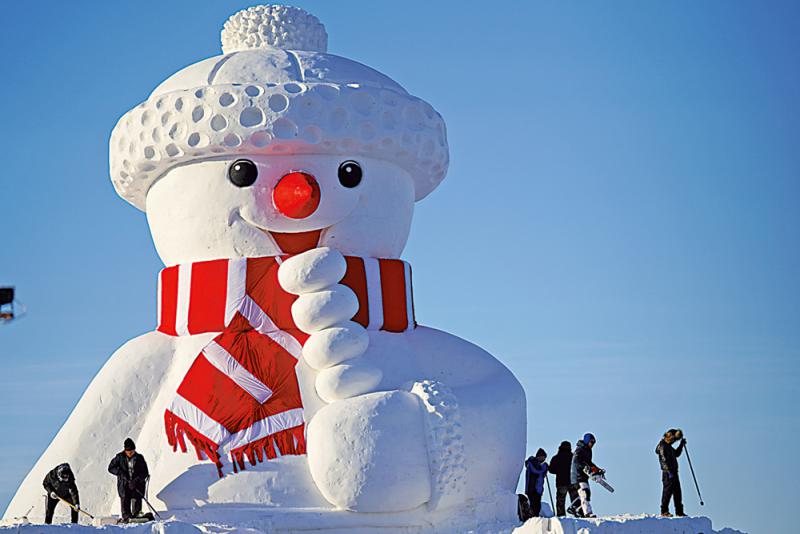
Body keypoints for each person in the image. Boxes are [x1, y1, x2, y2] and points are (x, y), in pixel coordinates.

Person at [108, 438, 150, 523]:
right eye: (129, 452)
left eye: (132, 451)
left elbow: (145, 472)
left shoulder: (139, 458)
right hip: (124, 486)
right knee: (125, 507)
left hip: (137, 486)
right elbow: (110, 468)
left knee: (137, 507)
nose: (131, 453)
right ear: (125, 450)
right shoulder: (119, 457)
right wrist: (120, 473)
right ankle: (126, 520)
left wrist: (136, 480)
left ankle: (137, 518)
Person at [569, 433, 603, 518]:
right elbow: (577, 461)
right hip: (577, 476)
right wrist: (586, 467)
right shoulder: (579, 450)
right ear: (587, 441)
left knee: (587, 494)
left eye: (594, 443)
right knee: (584, 492)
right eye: (591, 442)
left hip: (583, 476)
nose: (592, 444)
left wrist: (597, 469)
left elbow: (589, 463)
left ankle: (574, 507)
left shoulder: (588, 450)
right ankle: (588, 513)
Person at [656, 428, 687, 517]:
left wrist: (681, 445)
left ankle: (679, 511)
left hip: (674, 472)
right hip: (667, 473)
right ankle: (664, 511)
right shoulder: (663, 446)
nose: (674, 442)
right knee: (667, 492)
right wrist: (669, 472)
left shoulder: (668, 446)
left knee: (677, 492)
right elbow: (663, 460)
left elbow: (676, 454)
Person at [549, 441, 579, 517]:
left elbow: (551, 470)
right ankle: (578, 515)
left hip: (561, 482)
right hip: (572, 482)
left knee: (560, 501)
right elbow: (578, 468)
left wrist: (559, 470)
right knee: (575, 500)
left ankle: (561, 516)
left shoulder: (556, 457)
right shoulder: (573, 457)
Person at [524, 448, 548, 517]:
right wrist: (544, 468)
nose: (544, 459)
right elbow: (536, 471)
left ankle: (535, 520)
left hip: (537, 489)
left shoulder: (537, 464)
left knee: (537, 507)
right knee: (534, 507)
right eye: (543, 457)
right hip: (532, 488)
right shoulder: (533, 462)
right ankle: (533, 520)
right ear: (539, 456)